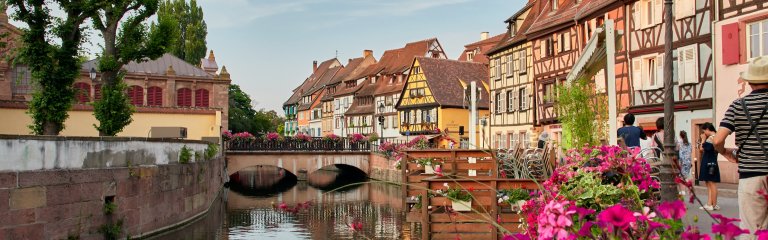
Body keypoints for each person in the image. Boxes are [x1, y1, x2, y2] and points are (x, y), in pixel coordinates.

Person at [714, 56, 768, 238]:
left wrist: (725, 152)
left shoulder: (738, 105)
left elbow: (717, 140)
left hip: (751, 176)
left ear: (750, 82)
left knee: (752, 230)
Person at [697, 123, 720, 211]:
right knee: (709, 183)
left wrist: (703, 139)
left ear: (707, 129)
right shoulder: (714, 137)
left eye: (704, 131)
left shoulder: (712, 137)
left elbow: (702, 149)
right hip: (710, 161)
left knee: (712, 183)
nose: (704, 133)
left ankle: (713, 204)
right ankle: (710, 203)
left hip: (710, 162)